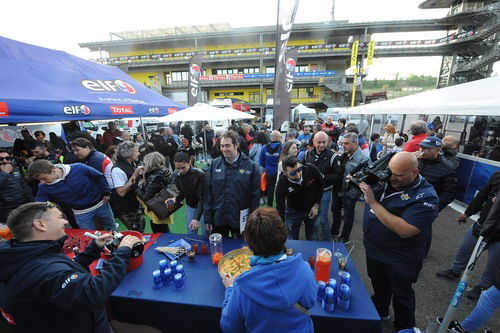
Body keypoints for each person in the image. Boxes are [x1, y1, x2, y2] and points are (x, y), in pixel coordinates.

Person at [0, 202, 141, 333]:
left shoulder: (26, 254)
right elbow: (92, 292)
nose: (65, 221)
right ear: (40, 225)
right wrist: (123, 252)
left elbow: (62, 272)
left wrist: (93, 249)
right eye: (60, 217)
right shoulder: (44, 271)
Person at [360, 152, 439, 331]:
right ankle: (380, 311)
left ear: (415, 172)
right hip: (374, 248)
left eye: (398, 175)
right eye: (390, 172)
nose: (392, 178)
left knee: (402, 294)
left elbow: (405, 230)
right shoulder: (387, 177)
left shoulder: (426, 196)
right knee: (379, 285)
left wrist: (373, 203)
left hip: (401, 256)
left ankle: (404, 326)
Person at [220, 207, 317, 333]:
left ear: (250, 243)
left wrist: (230, 289)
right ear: (283, 234)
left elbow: (229, 327)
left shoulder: (241, 287)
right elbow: (310, 302)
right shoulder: (304, 268)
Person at [437, 197, 500, 333]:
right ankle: (464, 327)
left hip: (495, 234)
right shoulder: (496, 177)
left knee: (490, 295)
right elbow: (482, 196)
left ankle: (464, 328)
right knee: (491, 296)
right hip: (483, 228)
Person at [436, 171, 500, 302]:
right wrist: (467, 214)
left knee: (494, 264)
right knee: (464, 250)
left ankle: (483, 286)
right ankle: (455, 271)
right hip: (481, 225)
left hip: (499, 235)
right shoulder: (497, 176)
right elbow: (481, 196)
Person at [28, 159, 115, 230]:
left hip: (101, 204)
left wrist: (106, 192)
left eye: (44, 178)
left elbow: (99, 176)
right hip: (80, 213)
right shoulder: (43, 187)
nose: (42, 182)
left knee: (112, 228)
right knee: (89, 237)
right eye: (39, 180)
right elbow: (41, 204)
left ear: (53, 170)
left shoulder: (78, 167)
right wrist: (51, 208)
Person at [203, 131, 261, 238]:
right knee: (218, 251)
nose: (224, 149)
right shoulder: (215, 164)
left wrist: (252, 219)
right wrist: (208, 217)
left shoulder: (251, 166)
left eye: (227, 146)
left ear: (237, 145)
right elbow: (208, 193)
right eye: (222, 146)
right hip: (219, 217)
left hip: (241, 219)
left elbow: (255, 196)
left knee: (241, 251)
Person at [303, 131, 342, 241]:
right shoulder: (307, 154)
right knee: (311, 218)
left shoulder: (333, 156)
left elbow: (338, 176)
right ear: (313, 142)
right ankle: (313, 242)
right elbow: (302, 169)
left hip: (325, 192)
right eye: (319, 142)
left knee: (322, 219)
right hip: (310, 192)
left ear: (328, 142)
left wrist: (323, 177)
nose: (321, 145)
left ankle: (326, 242)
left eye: (324, 142)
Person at [331, 132, 369, 244]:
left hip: (350, 192)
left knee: (348, 215)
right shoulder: (343, 153)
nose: (343, 145)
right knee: (335, 211)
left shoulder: (363, 158)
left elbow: (366, 178)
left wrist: (355, 183)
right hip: (338, 189)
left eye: (346, 143)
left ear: (355, 143)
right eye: (342, 143)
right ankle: (334, 231)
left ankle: (344, 237)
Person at [275, 156, 324, 240]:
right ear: (285, 172)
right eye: (293, 173)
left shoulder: (310, 169)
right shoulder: (282, 183)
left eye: (299, 170)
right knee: (292, 239)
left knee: (312, 238)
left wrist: (316, 204)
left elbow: (321, 185)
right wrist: (282, 224)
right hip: (293, 211)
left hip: (312, 208)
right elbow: (280, 206)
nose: (298, 175)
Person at [110, 141, 144, 231]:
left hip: (136, 205)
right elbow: (121, 192)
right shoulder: (117, 169)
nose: (139, 153)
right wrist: (135, 175)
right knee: (136, 231)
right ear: (129, 153)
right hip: (128, 208)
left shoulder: (132, 164)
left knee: (141, 227)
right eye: (136, 151)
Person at [417, 136, 457, 212]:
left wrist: (435, 207)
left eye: (427, 148)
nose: (422, 150)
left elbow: (449, 193)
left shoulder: (448, 168)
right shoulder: (414, 161)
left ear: (438, 150)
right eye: (421, 147)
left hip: (425, 208)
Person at [135, 152, 172, 233]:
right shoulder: (165, 171)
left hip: (156, 210)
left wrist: (135, 186)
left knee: (159, 232)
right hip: (165, 206)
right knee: (164, 230)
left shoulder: (154, 177)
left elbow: (145, 197)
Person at [173, 152, 206, 236]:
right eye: (178, 168)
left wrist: (196, 218)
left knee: (206, 234)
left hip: (204, 208)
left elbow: (202, 198)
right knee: (191, 234)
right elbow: (182, 193)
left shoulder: (199, 174)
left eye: (183, 167)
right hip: (190, 206)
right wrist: (175, 199)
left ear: (190, 162)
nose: (181, 171)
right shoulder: (176, 175)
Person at [0, 149, 33, 225]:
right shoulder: (6, 171)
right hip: (7, 213)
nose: (5, 161)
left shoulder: (15, 169)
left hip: (25, 207)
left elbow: (25, 188)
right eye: (1, 159)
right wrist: (5, 173)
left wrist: (33, 204)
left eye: (7, 158)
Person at [259, 130, 282, 207]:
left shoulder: (264, 148)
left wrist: (267, 167)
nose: (281, 138)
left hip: (269, 172)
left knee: (270, 189)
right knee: (280, 190)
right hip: (279, 172)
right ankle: (279, 207)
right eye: (280, 137)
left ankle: (269, 206)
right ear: (276, 137)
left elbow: (261, 161)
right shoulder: (282, 147)